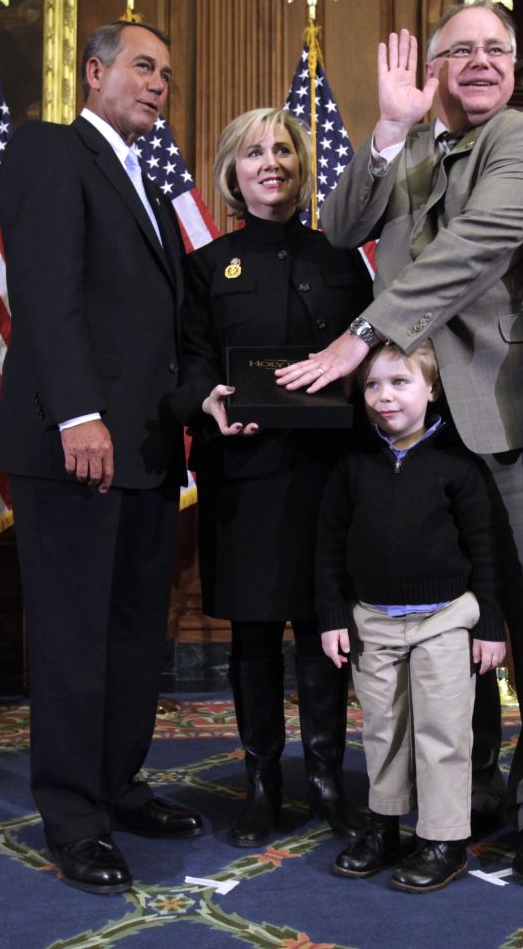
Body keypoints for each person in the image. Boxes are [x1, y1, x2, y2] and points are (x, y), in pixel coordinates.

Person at [276, 1, 523, 885]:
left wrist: (366, 334)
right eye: (462, 51)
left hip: (509, 416)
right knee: (452, 618)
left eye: (497, 49)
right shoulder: (415, 144)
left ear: (515, 66)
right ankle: (467, 789)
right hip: (417, 432)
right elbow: (337, 230)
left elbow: (483, 242)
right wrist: (389, 131)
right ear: (436, 66)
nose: (480, 62)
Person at [0, 20, 202, 895]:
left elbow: (161, 324)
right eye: (142, 66)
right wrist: (80, 414)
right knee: (77, 641)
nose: (158, 83)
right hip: (76, 445)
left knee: (130, 638)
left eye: (167, 73)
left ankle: (118, 784)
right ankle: (75, 818)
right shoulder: (50, 150)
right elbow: (44, 291)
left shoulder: (148, 186)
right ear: (94, 73)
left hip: (147, 451)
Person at [169, 108, 371, 846]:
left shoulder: (342, 261)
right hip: (244, 475)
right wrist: (207, 399)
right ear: (233, 170)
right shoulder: (205, 265)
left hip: (327, 475)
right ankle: (262, 781)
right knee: (253, 635)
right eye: (254, 152)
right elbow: (190, 360)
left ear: (301, 164)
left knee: (328, 630)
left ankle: (324, 777)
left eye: (283, 149)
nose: (271, 162)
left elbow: (372, 356)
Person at [316, 342, 507, 892]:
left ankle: (443, 838)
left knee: (443, 732)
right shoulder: (352, 465)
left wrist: (489, 625)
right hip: (372, 621)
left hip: (444, 620)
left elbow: (485, 551)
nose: (385, 396)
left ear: (433, 389)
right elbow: (328, 547)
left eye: (400, 382)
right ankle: (384, 826)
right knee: (383, 731)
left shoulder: (457, 462)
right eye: (373, 385)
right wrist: (333, 615)